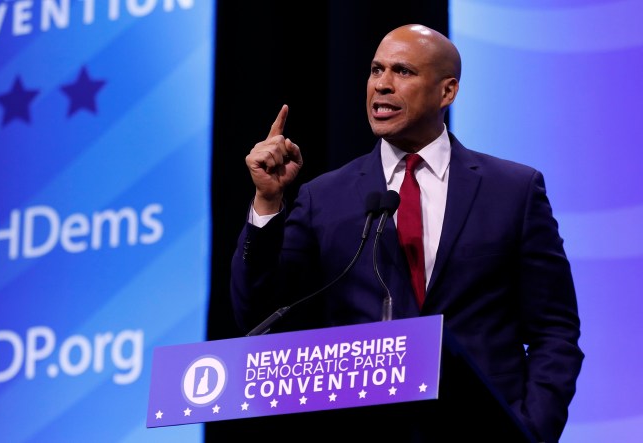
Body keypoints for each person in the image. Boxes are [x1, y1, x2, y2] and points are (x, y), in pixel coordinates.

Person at [230, 24, 583, 443]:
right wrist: (268, 203)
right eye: (376, 70)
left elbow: (554, 330)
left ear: (447, 92)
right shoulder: (325, 197)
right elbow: (258, 314)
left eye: (402, 71)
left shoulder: (513, 190)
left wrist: (531, 430)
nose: (382, 85)